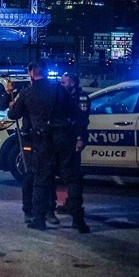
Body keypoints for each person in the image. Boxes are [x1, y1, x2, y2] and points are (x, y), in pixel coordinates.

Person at [6, 62, 88, 232]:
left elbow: (13, 114)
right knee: (72, 178)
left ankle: (39, 219)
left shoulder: (28, 93)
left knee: (41, 179)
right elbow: (76, 114)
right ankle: (78, 219)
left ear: (31, 73)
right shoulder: (59, 90)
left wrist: (12, 104)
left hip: (43, 140)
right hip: (65, 138)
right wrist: (79, 137)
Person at [54, 72, 90, 219]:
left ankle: (74, 206)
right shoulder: (66, 97)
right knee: (67, 172)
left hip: (75, 138)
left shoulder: (80, 98)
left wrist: (80, 138)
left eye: (64, 83)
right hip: (66, 138)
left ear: (72, 83)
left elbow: (81, 120)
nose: (62, 85)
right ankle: (71, 203)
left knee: (74, 173)